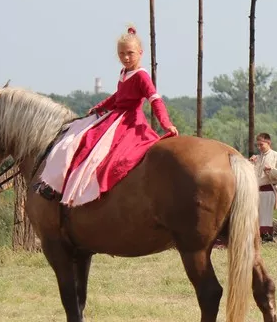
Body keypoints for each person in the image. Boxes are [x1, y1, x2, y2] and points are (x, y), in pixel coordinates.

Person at [36, 24, 177, 206]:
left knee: (98, 154)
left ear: (140, 53)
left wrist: (166, 123)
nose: (125, 58)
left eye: (130, 53)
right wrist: (100, 107)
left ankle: (89, 193)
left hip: (129, 122)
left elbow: (155, 100)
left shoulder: (142, 76)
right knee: (76, 139)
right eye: (121, 54)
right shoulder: (124, 72)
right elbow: (118, 95)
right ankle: (58, 184)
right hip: (114, 117)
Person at [250, 132, 277, 243]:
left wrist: (272, 170)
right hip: (256, 191)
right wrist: (250, 163)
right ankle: (256, 237)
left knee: (266, 215)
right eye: (258, 145)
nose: (259, 147)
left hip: (268, 190)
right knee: (255, 215)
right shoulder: (257, 158)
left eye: (261, 144)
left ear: (268, 142)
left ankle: (267, 237)